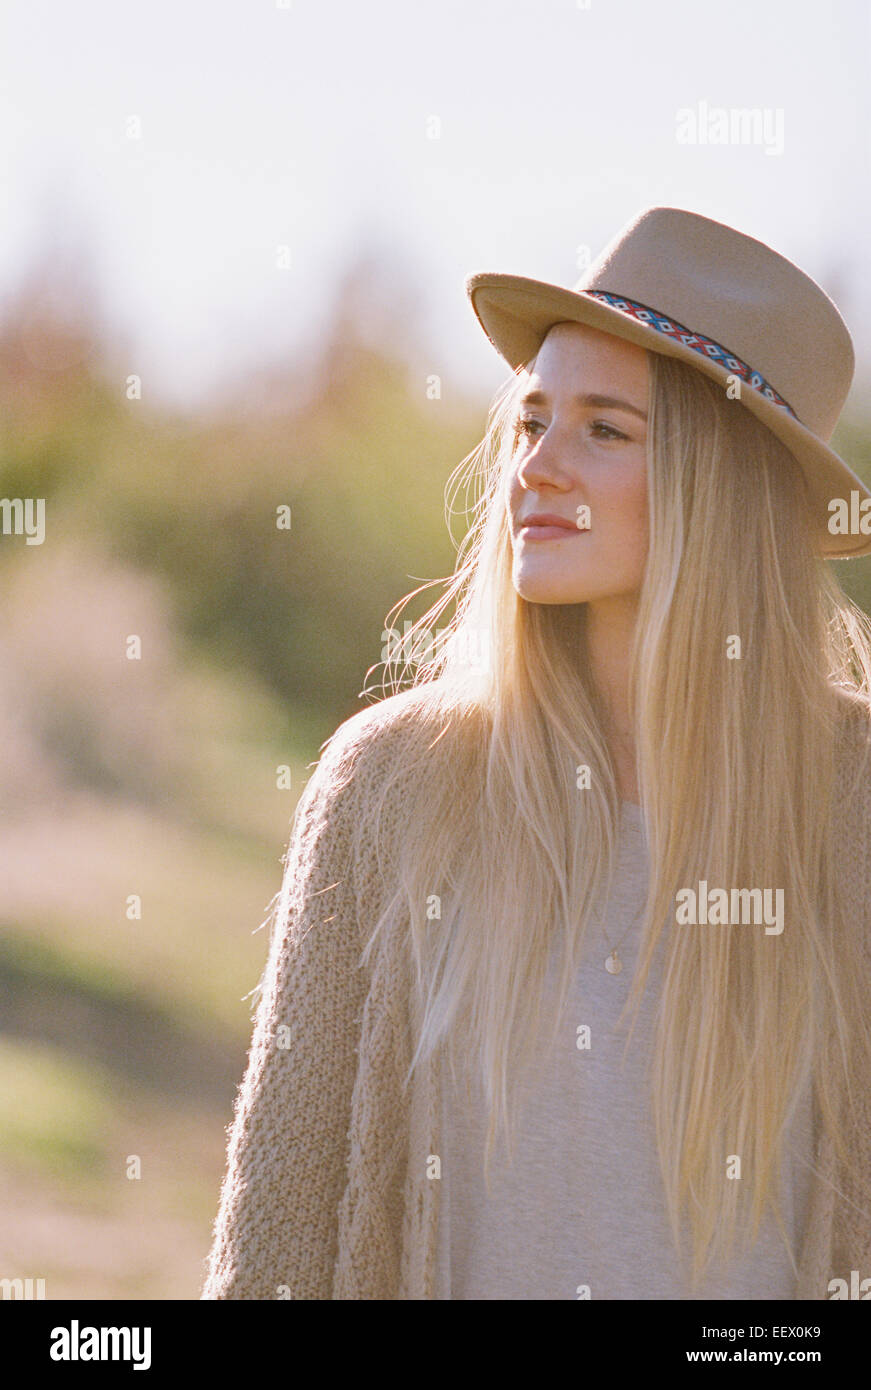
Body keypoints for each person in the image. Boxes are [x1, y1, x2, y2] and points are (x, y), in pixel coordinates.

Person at [201, 205, 871, 1301]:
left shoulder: (853, 803)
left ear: (724, 488)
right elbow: (274, 1235)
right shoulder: (391, 786)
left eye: (605, 430)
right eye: (531, 421)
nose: (538, 468)